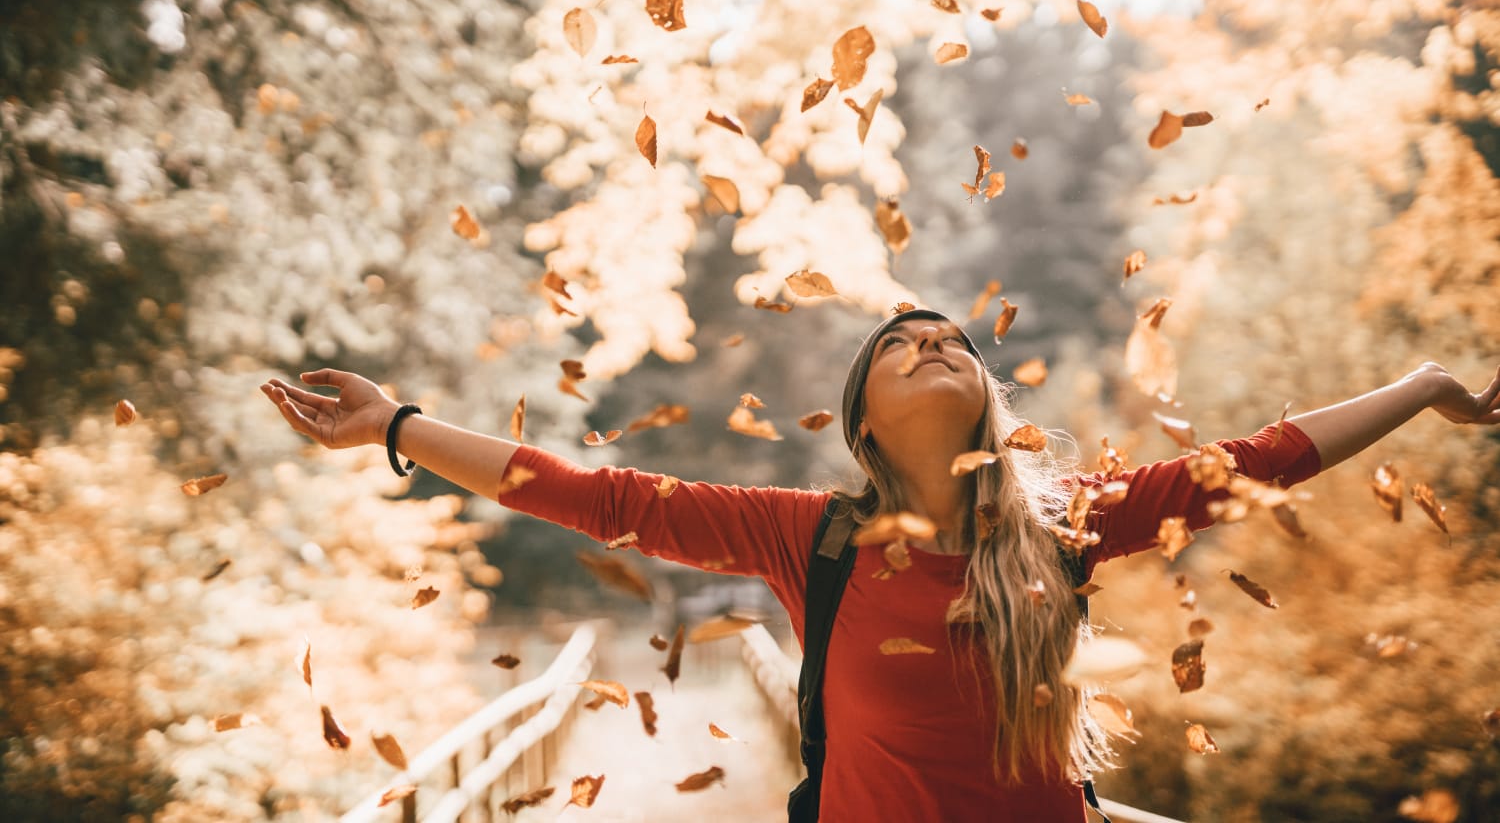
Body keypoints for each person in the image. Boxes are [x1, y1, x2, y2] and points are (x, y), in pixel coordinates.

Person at [260, 308, 1500, 822]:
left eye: (949, 338)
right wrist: (398, 428)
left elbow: (1257, 461)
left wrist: (1422, 384)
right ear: (861, 421)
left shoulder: (1065, 523)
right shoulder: (814, 536)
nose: (929, 341)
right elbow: (609, 499)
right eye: (901, 342)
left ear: (982, 394)